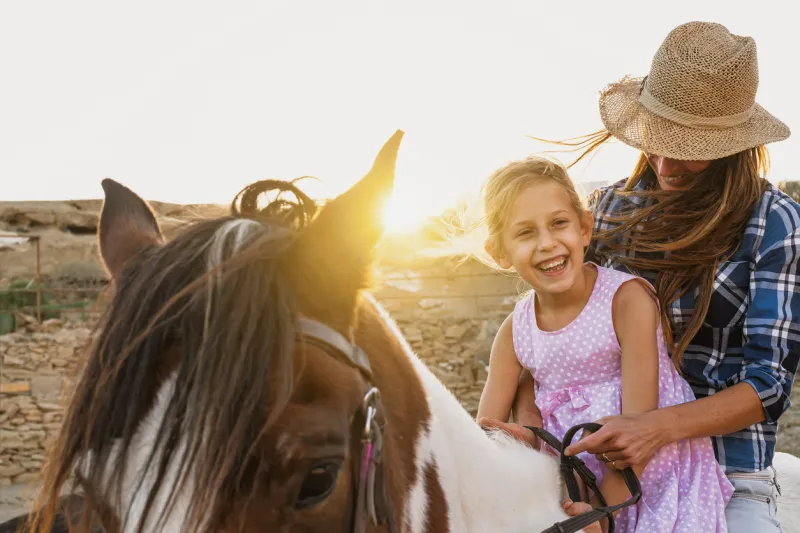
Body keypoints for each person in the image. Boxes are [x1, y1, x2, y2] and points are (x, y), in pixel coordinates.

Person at [485, 21, 799, 532]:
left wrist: (655, 428)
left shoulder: (774, 223)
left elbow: (768, 386)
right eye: (659, 137)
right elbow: (553, 337)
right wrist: (533, 426)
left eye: (691, 146)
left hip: (728, 466)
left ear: (733, 144)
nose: (666, 162)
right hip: (591, 467)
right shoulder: (609, 210)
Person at [475, 155, 732, 532]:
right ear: (499, 251)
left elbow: (636, 428)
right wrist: (522, 441)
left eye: (559, 224)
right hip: (567, 493)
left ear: (584, 229)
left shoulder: (626, 301)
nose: (547, 243)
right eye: (526, 233)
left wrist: (601, 516)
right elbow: (487, 439)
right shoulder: (515, 332)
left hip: (646, 480)